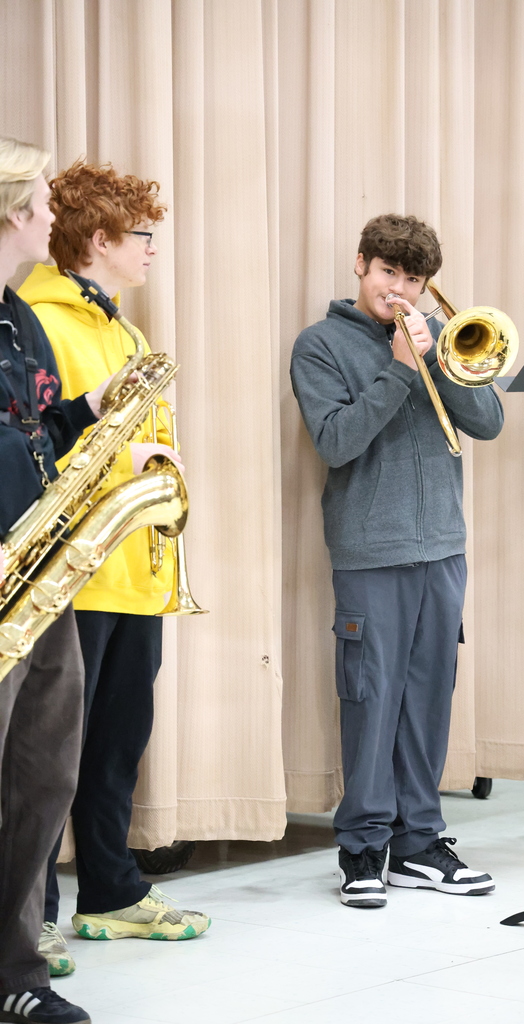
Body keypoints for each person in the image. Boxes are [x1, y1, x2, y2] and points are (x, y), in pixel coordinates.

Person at [18, 160, 210, 976]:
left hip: (134, 567)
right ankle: (37, 916)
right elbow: (39, 448)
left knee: (118, 744)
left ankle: (110, 889)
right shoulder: (37, 321)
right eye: (143, 236)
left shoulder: (125, 329)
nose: (151, 250)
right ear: (100, 241)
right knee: (48, 755)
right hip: (74, 572)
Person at [290, 214, 503, 908]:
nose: (399, 289)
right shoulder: (319, 346)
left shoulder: (437, 336)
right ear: (360, 265)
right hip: (369, 551)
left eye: (412, 278)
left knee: (428, 701)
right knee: (370, 701)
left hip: (442, 547)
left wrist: (440, 359)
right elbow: (335, 441)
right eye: (387, 273)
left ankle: (418, 842)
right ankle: (361, 849)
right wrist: (398, 370)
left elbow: (488, 424)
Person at [0, 136, 117, 1024]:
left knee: (44, 776)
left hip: (41, 574)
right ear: (10, 211)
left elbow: (37, 422)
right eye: (41, 202)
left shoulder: (19, 316)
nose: (52, 217)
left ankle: (16, 973)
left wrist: (95, 415)